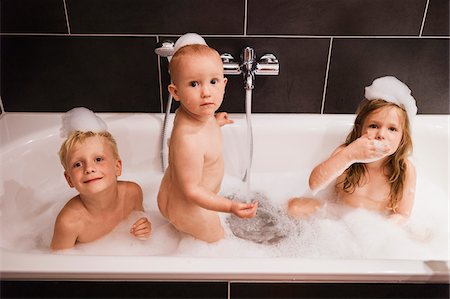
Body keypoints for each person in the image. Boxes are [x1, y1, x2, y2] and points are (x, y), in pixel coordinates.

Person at [157, 36, 258, 243]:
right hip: (192, 210)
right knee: (217, 242)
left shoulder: (191, 115)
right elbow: (192, 190)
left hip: (171, 195)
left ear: (224, 84)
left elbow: (199, 121)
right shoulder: (190, 139)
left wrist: (214, 121)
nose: (206, 92)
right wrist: (229, 206)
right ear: (175, 92)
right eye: (194, 84)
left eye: (213, 82)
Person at [288, 76, 417, 224]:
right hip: (339, 216)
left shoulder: (405, 169)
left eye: (392, 129)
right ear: (359, 129)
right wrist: (349, 155)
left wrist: (378, 232)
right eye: (374, 126)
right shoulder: (346, 153)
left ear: (403, 138)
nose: (381, 134)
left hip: (375, 225)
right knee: (295, 206)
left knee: (424, 236)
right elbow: (314, 184)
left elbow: (403, 215)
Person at [51, 108, 151, 250]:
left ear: (117, 167)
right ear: (69, 179)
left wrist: (145, 229)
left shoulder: (132, 193)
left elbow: (141, 222)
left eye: (98, 159)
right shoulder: (69, 222)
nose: (89, 168)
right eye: (78, 164)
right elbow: (55, 265)